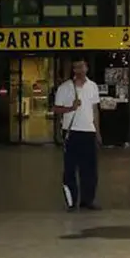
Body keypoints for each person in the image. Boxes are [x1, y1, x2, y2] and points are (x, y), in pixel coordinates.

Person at [53, 56, 102, 212]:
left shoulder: (93, 86)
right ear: (72, 70)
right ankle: (71, 201)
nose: (79, 71)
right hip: (72, 132)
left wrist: (98, 132)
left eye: (82, 67)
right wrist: (71, 108)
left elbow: (95, 110)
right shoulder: (64, 88)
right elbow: (56, 109)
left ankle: (88, 200)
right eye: (76, 68)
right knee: (70, 169)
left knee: (90, 169)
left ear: (87, 68)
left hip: (89, 132)